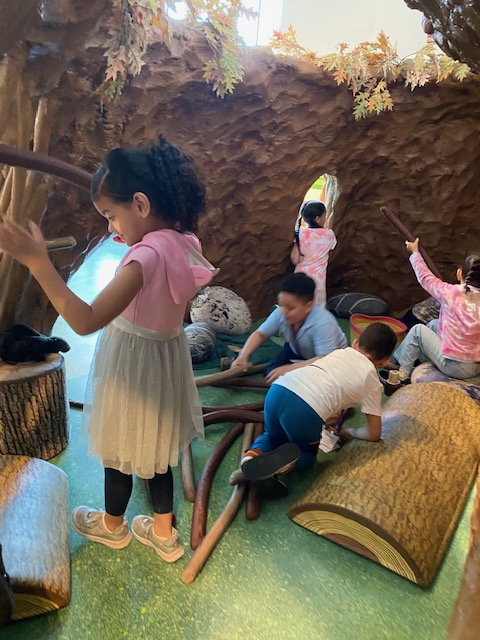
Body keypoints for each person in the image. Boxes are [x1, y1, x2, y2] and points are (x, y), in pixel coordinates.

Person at [0, 136, 216, 562]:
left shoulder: (144, 258)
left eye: (112, 216)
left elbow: (84, 320)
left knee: (119, 447)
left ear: (140, 204)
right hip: (164, 359)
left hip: (133, 363)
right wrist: (131, 237)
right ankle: (164, 534)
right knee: (157, 448)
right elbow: (156, 264)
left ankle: (113, 526)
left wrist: (37, 261)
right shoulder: (183, 240)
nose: (110, 228)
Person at [229, 322, 397, 491]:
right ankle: (286, 463)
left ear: (355, 343)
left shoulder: (339, 353)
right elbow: (374, 434)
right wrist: (350, 431)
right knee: (308, 454)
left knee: (271, 435)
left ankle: (250, 458)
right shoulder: (372, 382)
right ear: (385, 361)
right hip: (305, 411)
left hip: (279, 389)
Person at [231, 272, 347, 384]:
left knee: (296, 382)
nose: (284, 311)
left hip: (328, 361)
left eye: (290, 308)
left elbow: (325, 359)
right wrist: (243, 356)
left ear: (308, 306)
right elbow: (260, 334)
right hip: (298, 350)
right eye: (281, 305)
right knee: (271, 373)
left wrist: (291, 368)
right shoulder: (281, 313)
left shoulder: (324, 323)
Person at [394, 239, 480, 383]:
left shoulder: (449, 292)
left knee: (417, 331)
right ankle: (419, 358)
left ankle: (400, 376)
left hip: (455, 367)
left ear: (459, 274)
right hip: (475, 365)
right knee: (434, 324)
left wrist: (415, 252)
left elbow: (424, 277)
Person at [290, 200, 336, 307]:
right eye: (324, 216)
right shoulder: (329, 235)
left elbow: (295, 259)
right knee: (317, 308)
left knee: (298, 306)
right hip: (318, 280)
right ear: (318, 218)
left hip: (300, 277)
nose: (325, 218)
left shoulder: (300, 233)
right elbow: (329, 239)